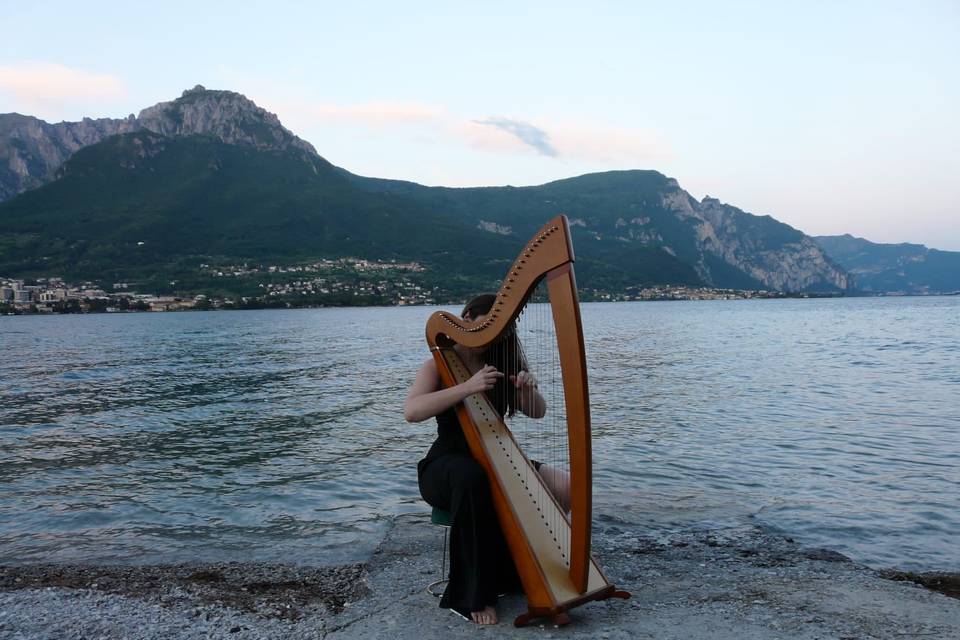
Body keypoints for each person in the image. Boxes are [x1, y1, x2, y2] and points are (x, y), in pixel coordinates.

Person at [404, 294, 570, 625]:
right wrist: (467, 388)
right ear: (467, 320)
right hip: (446, 466)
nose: (491, 340)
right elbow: (412, 411)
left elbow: (538, 412)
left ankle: (524, 570)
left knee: (566, 486)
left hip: (497, 460)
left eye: (499, 334)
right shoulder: (439, 363)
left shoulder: (503, 361)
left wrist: (526, 390)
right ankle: (469, 596)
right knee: (471, 478)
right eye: (486, 330)